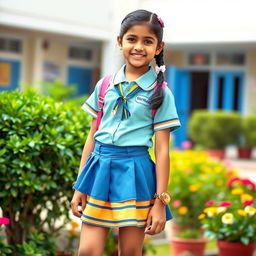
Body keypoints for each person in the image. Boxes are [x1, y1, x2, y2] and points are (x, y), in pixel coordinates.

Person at [70, 9, 181, 256]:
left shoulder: (161, 93)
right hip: (99, 171)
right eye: (132, 39)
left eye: (148, 41)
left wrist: (160, 203)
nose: (139, 47)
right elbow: (92, 136)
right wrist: (80, 186)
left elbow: (162, 150)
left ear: (159, 47)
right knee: (87, 250)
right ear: (120, 42)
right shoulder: (105, 85)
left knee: (130, 251)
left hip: (136, 173)